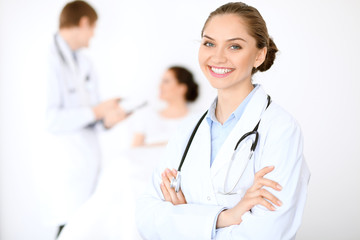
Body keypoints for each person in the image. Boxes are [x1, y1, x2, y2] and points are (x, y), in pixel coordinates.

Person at [136, 2, 310, 240]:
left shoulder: (280, 129)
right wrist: (226, 216)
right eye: (209, 43)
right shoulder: (187, 130)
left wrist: (186, 218)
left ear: (259, 55)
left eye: (234, 46)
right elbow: (146, 218)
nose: (217, 57)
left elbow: (267, 232)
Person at [45, 1, 126, 237]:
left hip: (88, 163)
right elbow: (51, 119)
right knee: (67, 230)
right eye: (93, 28)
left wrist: (108, 119)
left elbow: (93, 115)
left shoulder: (86, 62)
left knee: (87, 229)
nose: (93, 35)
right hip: (65, 165)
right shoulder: (48, 58)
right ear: (83, 22)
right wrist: (97, 111)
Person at [131, 66, 199, 147]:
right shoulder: (146, 116)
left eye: (166, 81)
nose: (160, 86)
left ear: (182, 88)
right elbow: (134, 151)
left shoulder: (197, 121)